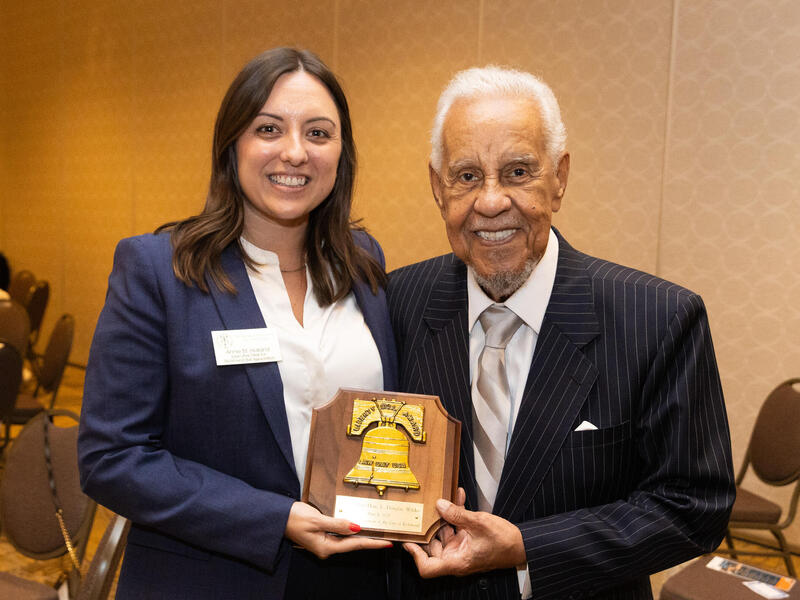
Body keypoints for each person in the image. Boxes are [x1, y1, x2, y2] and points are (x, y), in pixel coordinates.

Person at [387, 66, 735, 600]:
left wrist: (530, 547)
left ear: (560, 178)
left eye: (518, 171)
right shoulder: (397, 302)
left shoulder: (659, 318)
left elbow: (692, 504)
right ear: (438, 187)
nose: (491, 202)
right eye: (467, 176)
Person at [78, 48, 398, 600]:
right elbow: (113, 458)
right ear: (232, 145)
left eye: (319, 134)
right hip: (209, 578)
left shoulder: (363, 262)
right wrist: (275, 519)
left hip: (357, 577)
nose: (295, 152)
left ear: (342, 154)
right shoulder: (161, 271)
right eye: (268, 128)